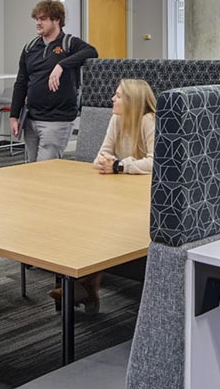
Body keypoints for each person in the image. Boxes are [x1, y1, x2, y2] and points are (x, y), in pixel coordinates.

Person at [48, 79, 156, 313]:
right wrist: (108, 163)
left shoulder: (148, 121)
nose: (112, 99)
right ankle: (84, 287)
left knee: (104, 225)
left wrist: (119, 166)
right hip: (121, 191)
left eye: (118, 96)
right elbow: (102, 154)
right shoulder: (116, 118)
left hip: (143, 196)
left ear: (132, 101)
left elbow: (156, 162)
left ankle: (85, 287)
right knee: (86, 217)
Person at [10, 0, 99, 162]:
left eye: (43, 19)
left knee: (46, 170)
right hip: (31, 118)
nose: (38, 23)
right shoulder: (30, 47)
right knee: (31, 168)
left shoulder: (69, 43)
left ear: (56, 20)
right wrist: (14, 116)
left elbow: (92, 52)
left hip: (56, 120)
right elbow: (21, 82)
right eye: (36, 19)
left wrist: (61, 65)